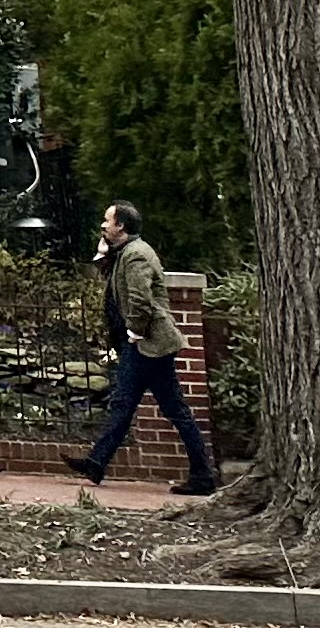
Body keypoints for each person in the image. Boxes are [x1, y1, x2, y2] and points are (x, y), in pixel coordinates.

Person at [62, 202, 219, 495]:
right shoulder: (125, 252)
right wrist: (103, 253)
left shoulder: (136, 255)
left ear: (121, 225)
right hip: (144, 344)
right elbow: (110, 278)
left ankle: (202, 475)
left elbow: (140, 299)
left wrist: (134, 331)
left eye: (107, 221)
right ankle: (97, 462)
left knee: (151, 407)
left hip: (148, 344)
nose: (103, 225)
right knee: (148, 407)